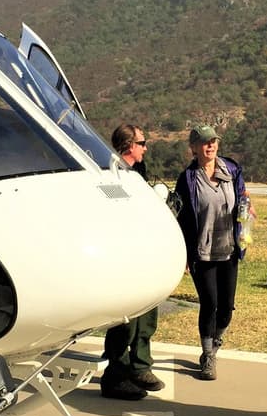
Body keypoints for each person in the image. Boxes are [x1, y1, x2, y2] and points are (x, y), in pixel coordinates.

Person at [174, 124, 248, 381]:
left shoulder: (232, 169)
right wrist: (183, 253)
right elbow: (181, 217)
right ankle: (208, 356)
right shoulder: (188, 179)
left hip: (228, 248)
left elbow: (242, 196)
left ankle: (215, 343)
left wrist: (247, 210)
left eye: (214, 141)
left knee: (226, 308)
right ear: (193, 148)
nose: (211, 146)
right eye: (205, 142)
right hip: (202, 252)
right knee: (210, 304)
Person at [100, 124, 163, 401]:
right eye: (142, 142)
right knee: (124, 319)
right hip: (124, 256)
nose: (145, 147)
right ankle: (116, 375)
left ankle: (139, 366)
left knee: (146, 313)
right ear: (128, 145)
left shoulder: (138, 172)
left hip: (143, 252)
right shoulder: (110, 174)